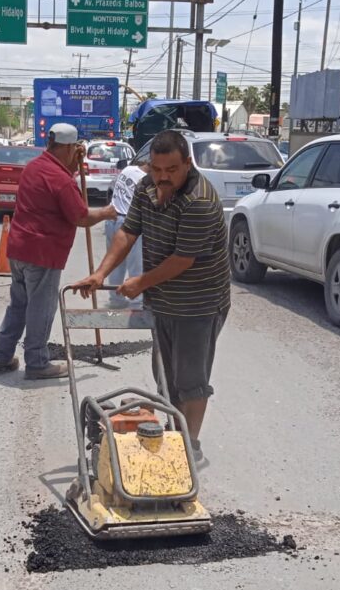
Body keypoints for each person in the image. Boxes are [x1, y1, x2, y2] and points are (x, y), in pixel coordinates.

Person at [73, 131, 230, 460]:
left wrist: (140, 282)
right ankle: (176, 436)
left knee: (191, 381)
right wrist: (101, 273)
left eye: (171, 170)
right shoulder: (147, 188)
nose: (163, 177)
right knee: (166, 378)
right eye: (156, 169)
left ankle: (190, 448)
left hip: (198, 304)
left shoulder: (199, 200)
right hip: (162, 301)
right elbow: (128, 232)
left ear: (187, 163)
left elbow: (181, 261)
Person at [0, 123, 116, 380]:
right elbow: (80, 216)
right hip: (43, 253)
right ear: (69, 147)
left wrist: (72, 164)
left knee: (19, 305)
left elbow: (59, 181)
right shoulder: (61, 180)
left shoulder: (35, 168)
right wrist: (107, 212)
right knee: (41, 307)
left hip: (19, 249)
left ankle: (1, 356)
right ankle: (37, 362)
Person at [104, 161, 148, 308]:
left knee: (115, 262)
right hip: (129, 224)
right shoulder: (146, 181)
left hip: (112, 219)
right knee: (136, 265)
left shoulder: (128, 170)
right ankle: (137, 302)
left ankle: (115, 300)